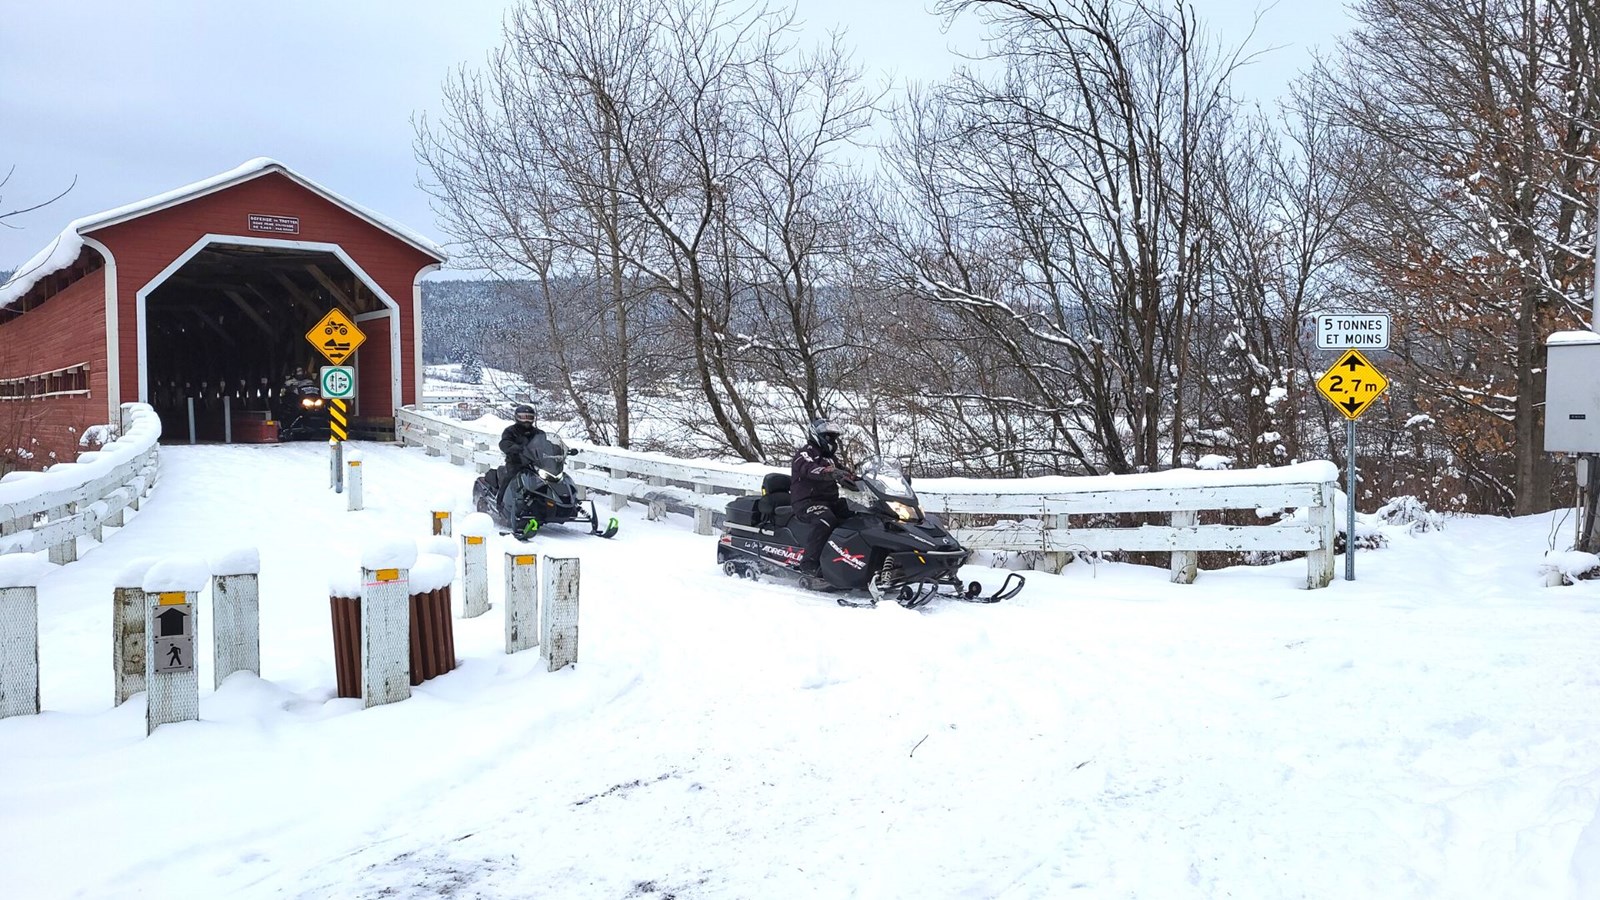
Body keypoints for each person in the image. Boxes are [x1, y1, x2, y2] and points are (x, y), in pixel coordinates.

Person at [791, 417, 854, 574]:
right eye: (828, 437)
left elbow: (844, 472)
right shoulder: (805, 453)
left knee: (857, 511)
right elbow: (810, 469)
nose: (831, 441)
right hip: (807, 503)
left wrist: (860, 479)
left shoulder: (830, 458)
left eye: (833, 437)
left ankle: (853, 559)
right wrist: (830, 472)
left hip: (830, 501)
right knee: (825, 520)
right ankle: (809, 564)